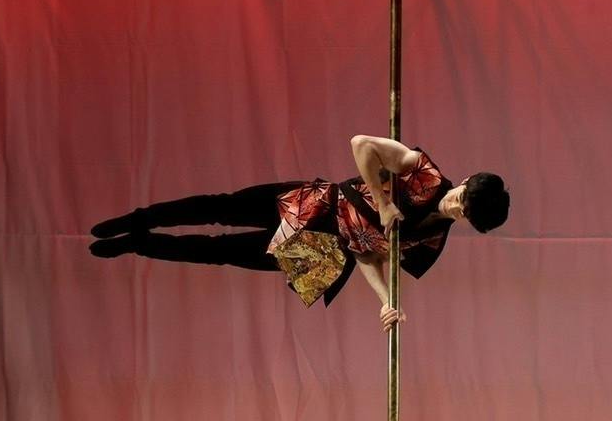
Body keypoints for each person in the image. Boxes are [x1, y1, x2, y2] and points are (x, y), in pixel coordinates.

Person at [90, 135, 510, 328]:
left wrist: (386, 300)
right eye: (462, 198)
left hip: (324, 255)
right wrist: (384, 204)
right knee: (219, 207)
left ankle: (137, 245)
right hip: (315, 204)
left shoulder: (431, 241)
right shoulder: (423, 173)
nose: (456, 207)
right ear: (464, 182)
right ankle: (136, 220)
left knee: (219, 252)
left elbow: (366, 253)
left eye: (464, 213)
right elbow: (361, 144)